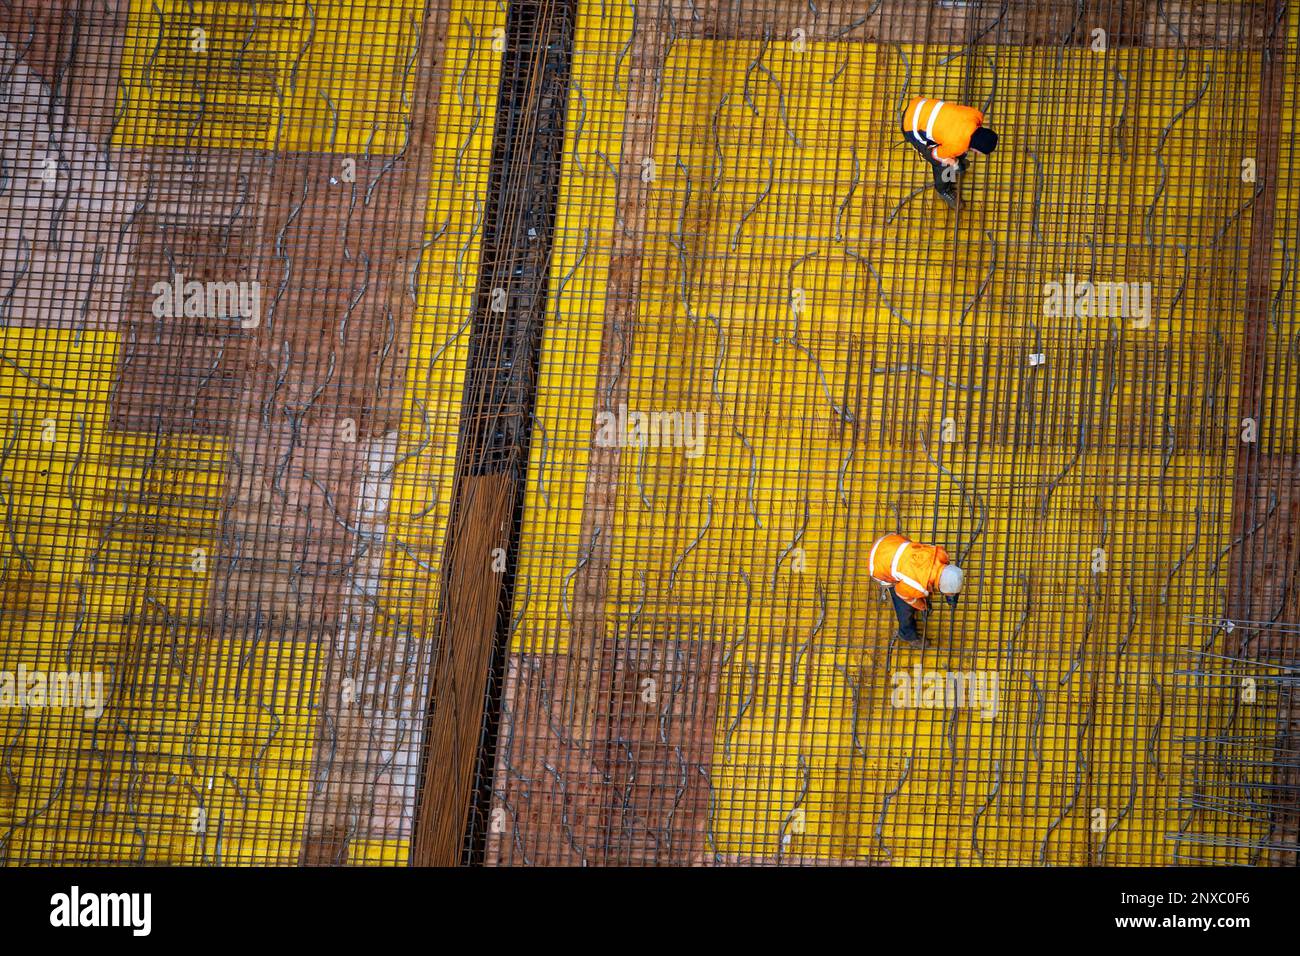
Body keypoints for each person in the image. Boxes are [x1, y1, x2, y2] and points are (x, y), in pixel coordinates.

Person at [900, 96, 998, 208]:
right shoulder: (957, 145)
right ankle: (943, 190)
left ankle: (956, 164)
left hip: (918, 104)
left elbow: (959, 135)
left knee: (955, 151)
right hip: (910, 125)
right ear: (977, 150)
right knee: (942, 165)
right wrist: (953, 163)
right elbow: (936, 154)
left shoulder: (976, 115)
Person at [868, 532, 964, 646]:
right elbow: (901, 593)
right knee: (905, 607)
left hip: (890, 541)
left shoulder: (940, 553)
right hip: (877, 566)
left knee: (913, 583)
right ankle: (907, 635)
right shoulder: (916, 586)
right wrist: (922, 606)